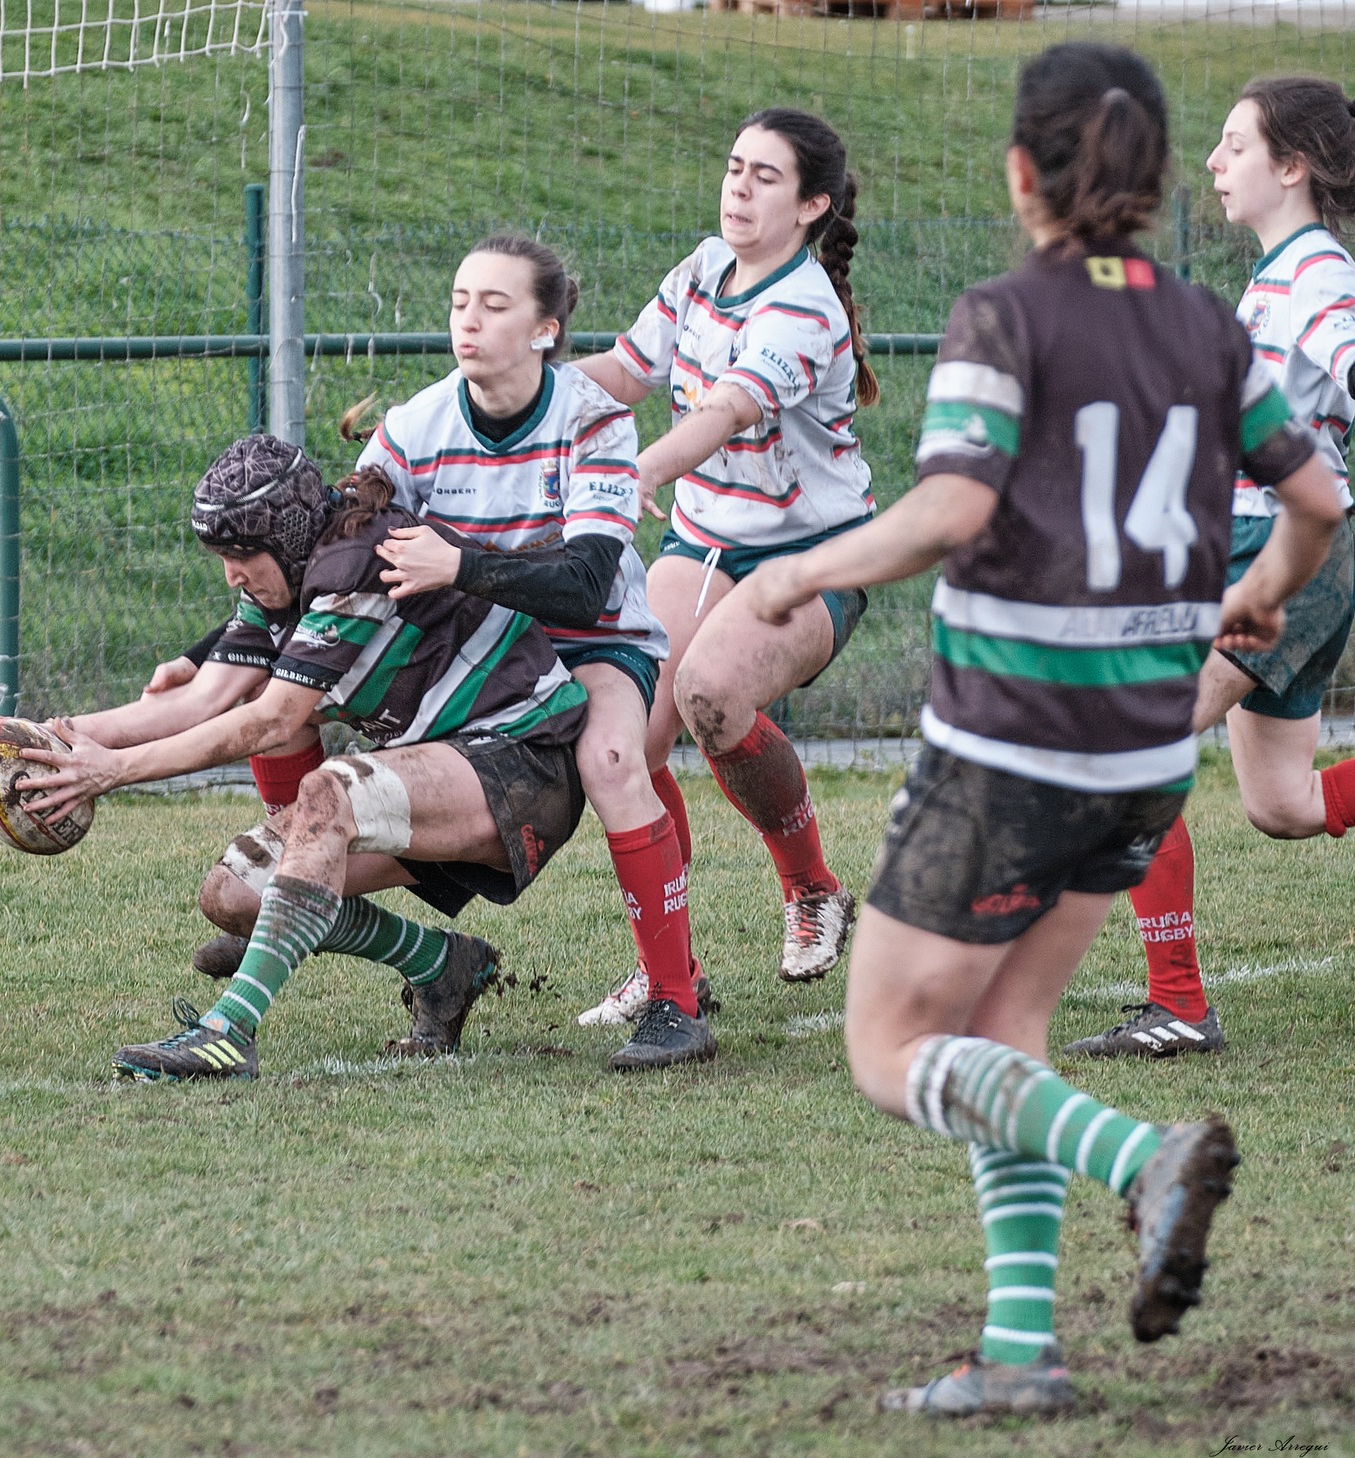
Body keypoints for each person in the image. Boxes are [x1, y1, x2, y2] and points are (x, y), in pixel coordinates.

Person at [740, 43, 1342, 1416]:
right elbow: (1317, 497)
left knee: (891, 1051)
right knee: (1007, 1030)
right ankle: (1020, 1352)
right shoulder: (1209, 325)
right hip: (1141, 748)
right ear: (1145, 183)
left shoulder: (1006, 316)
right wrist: (1260, 596)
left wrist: (800, 570)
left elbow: (955, 505)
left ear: (1024, 174)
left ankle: (1140, 1161)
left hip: (1013, 742)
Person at [22, 435, 594, 1081]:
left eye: (242, 556)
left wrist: (115, 771)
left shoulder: (357, 564)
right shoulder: (283, 583)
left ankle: (229, 1032)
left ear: (289, 536)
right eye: (222, 557)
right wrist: (48, 738)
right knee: (235, 897)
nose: (232, 574)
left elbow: (274, 717)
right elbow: (204, 697)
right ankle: (443, 966)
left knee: (331, 789)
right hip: (443, 768)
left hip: (523, 762)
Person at [354, 233, 716, 1069]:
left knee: (617, 756)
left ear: (546, 328)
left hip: (587, 640)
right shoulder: (416, 424)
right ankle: (292, 904)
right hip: (472, 644)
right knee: (326, 740)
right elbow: (344, 555)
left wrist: (461, 565)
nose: (468, 320)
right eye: (458, 302)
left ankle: (676, 1002)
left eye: (494, 304)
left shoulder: (594, 419)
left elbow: (589, 583)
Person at [1067, 74, 1355, 1061]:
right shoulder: (1275, 273)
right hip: (1248, 547)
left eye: (1232, 145)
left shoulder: (1316, 280)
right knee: (1283, 806)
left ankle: (1178, 1003)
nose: (1210, 163)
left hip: (1291, 556)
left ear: (1290, 165)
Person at [571, 106, 878, 1007]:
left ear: (812, 204)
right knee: (621, 736)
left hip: (813, 557)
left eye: (765, 176)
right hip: (703, 542)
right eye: (734, 167)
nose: (739, 187)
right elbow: (628, 373)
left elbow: (725, 414)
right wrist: (518, 381)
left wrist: (637, 470)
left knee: (711, 690)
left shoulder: (805, 306)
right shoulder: (704, 268)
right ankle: (669, 973)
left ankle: (812, 886)